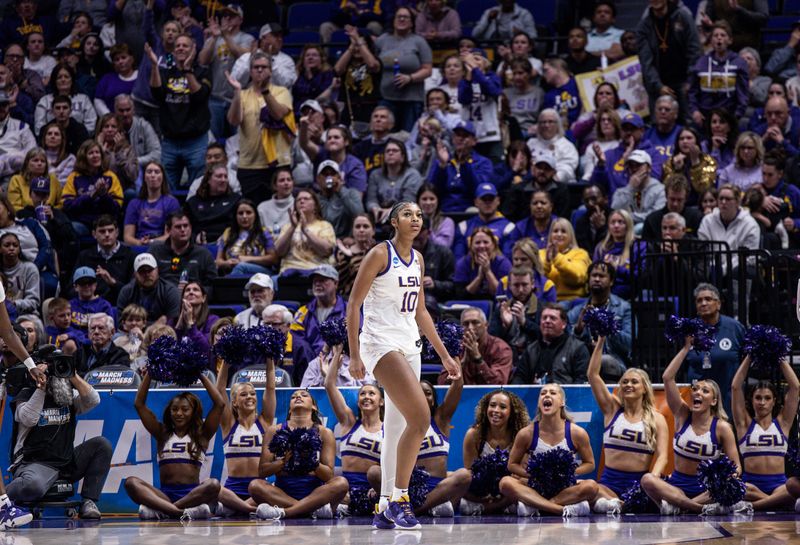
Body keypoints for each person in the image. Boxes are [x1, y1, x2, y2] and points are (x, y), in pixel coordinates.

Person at [346, 200, 461, 529]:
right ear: (394, 221)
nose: (416, 219)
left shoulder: (419, 259)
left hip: (410, 345)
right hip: (379, 344)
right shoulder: (380, 254)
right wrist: (355, 354)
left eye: (419, 215)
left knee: (395, 429)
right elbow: (353, 305)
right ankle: (400, 497)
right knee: (421, 417)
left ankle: (383, 506)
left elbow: (421, 311)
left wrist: (443, 354)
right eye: (408, 214)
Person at [640, 337, 750, 515]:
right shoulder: (682, 415)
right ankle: (697, 509)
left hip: (706, 491)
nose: (697, 392)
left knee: (733, 484)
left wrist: (726, 480)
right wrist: (686, 348)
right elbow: (667, 377)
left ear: (713, 401)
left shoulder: (722, 427)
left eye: (705, 391)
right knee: (647, 480)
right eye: (696, 389)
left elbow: (737, 466)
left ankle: (677, 506)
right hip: (676, 487)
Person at [7, 343, 110, 520]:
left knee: (101, 445)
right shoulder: (26, 391)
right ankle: (4, 497)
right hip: (34, 462)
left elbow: (93, 400)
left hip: (66, 462)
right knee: (34, 486)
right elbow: (28, 418)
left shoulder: (65, 393)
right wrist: (40, 386)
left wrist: (72, 374)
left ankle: (88, 502)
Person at [126, 369, 225, 520]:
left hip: (192, 495)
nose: (179, 413)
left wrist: (198, 373)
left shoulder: (202, 435)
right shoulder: (161, 433)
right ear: (169, 412)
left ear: (193, 412)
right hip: (164, 495)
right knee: (131, 482)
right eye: (175, 409)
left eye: (185, 409)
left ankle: (167, 511)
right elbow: (139, 404)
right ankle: (180, 513)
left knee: (213, 485)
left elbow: (220, 404)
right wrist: (151, 372)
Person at [586, 335, 669, 513]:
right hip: (608, 484)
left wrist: (652, 479)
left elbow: (663, 456)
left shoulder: (657, 418)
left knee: (658, 487)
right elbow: (593, 375)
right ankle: (615, 503)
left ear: (645, 388)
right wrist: (601, 341)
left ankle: (613, 505)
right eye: (624, 382)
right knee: (586, 487)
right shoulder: (612, 409)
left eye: (634, 382)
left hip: (639, 485)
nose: (628, 385)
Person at [498, 383, 596, 516]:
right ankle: (561, 510)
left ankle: (537, 506)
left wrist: (567, 473)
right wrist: (534, 475)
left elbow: (590, 464)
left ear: (562, 402)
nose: (547, 395)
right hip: (535, 486)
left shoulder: (577, 433)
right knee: (505, 483)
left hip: (564, 487)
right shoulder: (526, 433)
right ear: (539, 403)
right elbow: (512, 465)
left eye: (553, 393)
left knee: (591, 486)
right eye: (543, 393)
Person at [250, 389, 349, 520]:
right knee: (255, 486)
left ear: (313, 407)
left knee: (341, 483)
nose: (298, 397)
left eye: (304, 395)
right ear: (290, 409)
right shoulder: (274, 430)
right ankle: (311, 510)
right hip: (282, 492)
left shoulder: (324, 433)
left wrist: (310, 461)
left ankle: (285, 513)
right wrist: (283, 461)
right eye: (293, 397)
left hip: (314, 492)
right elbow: (262, 471)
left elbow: (328, 476)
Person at [213, 328, 277, 515]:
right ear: (234, 402)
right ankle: (249, 509)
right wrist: (226, 358)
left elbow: (271, 387)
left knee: (265, 488)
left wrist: (270, 357)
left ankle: (237, 509)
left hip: (258, 488)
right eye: (243, 394)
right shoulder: (228, 424)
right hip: (232, 489)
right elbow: (219, 390)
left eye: (252, 394)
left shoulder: (265, 421)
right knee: (213, 487)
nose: (250, 397)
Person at [731, 354, 798, 511]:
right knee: (740, 487)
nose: (762, 402)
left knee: (792, 486)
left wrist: (779, 354)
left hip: (779, 486)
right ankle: (774, 502)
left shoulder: (783, 423)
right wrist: (750, 355)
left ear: (774, 401)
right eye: (758, 398)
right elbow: (735, 387)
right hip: (751, 486)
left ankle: (752, 506)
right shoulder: (744, 424)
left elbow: (795, 387)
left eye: (767, 398)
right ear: (751, 400)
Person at [226, 51, 294, 204]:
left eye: (264, 67)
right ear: (250, 71)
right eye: (256, 67)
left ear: (270, 70)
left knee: (280, 208)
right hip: (249, 165)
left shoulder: (281, 92)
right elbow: (233, 120)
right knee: (251, 212)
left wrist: (265, 91)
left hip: (277, 164)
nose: (260, 70)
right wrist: (237, 93)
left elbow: (278, 114)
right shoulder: (242, 95)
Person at [145, 36, 210, 189]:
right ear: (173, 52)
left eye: (185, 46)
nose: (180, 48)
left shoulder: (202, 72)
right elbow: (156, 93)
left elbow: (200, 96)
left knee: (197, 188)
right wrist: (154, 65)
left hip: (196, 141)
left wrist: (187, 70)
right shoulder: (165, 72)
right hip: (170, 141)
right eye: (178, 46)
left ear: (193, 49)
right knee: (166, 188)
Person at [324, 347, 383, 516]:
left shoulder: (388, 429)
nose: (366, 397)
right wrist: (336, 356)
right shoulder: (349, 422)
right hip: (346, 491)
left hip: (375, 490)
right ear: (358, 403)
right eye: (363, 394)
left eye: (372, 393)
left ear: (381, 402)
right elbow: (329, 385)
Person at [460, 390, 529, 515]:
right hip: (482, 492)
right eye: (492, 405)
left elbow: (522, 471)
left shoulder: (521, 435)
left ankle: (488, 508)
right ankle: (495, 505)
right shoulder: (474, 434)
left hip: (508, 488)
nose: (496, 410)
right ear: (486, 408)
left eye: (502, 407)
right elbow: (470, 470)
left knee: (525, 482)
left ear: (512, 412)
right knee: (460, 477)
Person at [684, 283, 746, 415]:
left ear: (718, 304)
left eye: (708, 299)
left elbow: (746, 358)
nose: (703, 303)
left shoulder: (734, 328)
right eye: (699, 300)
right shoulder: (690, 330)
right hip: (698, 403)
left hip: (728, 400)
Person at [636, 0, 700, 120]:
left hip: (684, 81)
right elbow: (646, 62)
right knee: (659, 124)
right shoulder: (643, 26)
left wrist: (691, 80)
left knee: (688, 124)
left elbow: (694, 50)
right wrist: (658, 86)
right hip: (659, 84)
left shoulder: (683, 16)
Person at [569, 262, 632, 379]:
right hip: (583, 360)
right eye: (594, 276)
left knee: (604, 361)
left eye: (602, 276)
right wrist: (578, 331)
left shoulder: (624, 308)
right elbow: (565, 346)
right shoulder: (577, 311)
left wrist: (609, 328)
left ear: (611, 281)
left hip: (614, 360)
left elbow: (630, 343)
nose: (597, 279)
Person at [374, 7, 433, 132]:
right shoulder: (382, 40)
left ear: (412, 22)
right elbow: (373, 63)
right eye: (399, 16)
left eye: (406, 17)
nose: (402, 19)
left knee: (408, 137)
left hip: (411, 100)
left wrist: (410, 78)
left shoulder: (419, 42)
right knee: (384, 135)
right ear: (393, 20)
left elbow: (428, 70)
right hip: (386, 98)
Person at [291, 265, 348, 384]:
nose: (317, 284)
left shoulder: (349, 310)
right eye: (315, 281)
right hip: (310, 364)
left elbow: (356, 336)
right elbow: (296, 339)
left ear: (336, 283)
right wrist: (316, 360)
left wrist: (333, 355)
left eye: (323, 280)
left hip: (342, 362)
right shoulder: (303, 311)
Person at [687, 20, 749, 127]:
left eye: (723, 35)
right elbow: (693, 92)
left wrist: (735, 117)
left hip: (729, 118)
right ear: (711, 40)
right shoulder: (701, 63)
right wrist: (695, 111)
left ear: (730, 40)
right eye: (715, 35)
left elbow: (742, 95)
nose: (719, 38)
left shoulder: (739, 63)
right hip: (705, 118)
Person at [511, 303, 590, 384]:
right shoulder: (531, 350)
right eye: (544, 318)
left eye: (553, 318)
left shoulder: (578, 348)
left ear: (564, 324)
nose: (547, 321)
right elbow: (519, 380)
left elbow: (581, 382)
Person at [428, 120, 492, 213]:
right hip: (444, 210)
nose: (460, 139)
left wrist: (465, 164)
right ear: (453, 138)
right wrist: (442, 166)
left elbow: (480, 191)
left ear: (474, 141)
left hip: (470, 210)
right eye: (458, 135)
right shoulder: (444, 159)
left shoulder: (483, 162)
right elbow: (431, 189)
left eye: (465, 136)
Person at [62, 140, 123, 236]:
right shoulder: (74, 177)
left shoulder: (110, 176)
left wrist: (103, 195)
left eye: (97, 152)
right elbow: (67, 205)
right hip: (83, 223)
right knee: (72, 228)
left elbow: (116, 208)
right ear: (84, 157)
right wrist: (90, 196)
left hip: (105, 224)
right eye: (91, 153)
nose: (95, 156)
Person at [439, 307, 511, 385]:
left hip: (491, 396)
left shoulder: (501, 348)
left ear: (486, 325)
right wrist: (462, 363)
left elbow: (499, 384)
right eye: (466, 324)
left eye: (475, 322)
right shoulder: (456, 348)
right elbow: (442, 384)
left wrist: (478, 359)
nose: (470, 328)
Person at [74, 215, 135, 304]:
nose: (107, 234)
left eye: (110, 231)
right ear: (94, 234)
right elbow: (72, 287)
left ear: (117, 233)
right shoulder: (85, 256)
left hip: (120, 305)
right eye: (102, 231)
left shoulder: (130, 255)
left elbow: (133, 292)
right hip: (89, 305)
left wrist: (113, 283)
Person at [149, 212, 218, 290]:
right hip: (162, 297)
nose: (183, 230)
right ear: (168, 230)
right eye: (178, 227)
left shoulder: (204, 254)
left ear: (191, 228)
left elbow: (212, 286)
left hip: (192, 298)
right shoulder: (156, 251)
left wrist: (195, 291)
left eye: (185, 226)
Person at [275, 189, 336, 276]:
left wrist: (305, 230)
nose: (302, 201)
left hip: (317, 271)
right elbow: (279, 252)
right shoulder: (288, 227)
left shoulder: (325, 225)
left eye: (306, 199)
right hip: (289, 271)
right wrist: (293, 227)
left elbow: (326, 251)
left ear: (315, 205)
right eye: (298, 200)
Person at [366, 138, 422, 230]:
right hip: (378, 220)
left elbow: (409, 201)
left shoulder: (412, 175)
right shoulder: (375, 174)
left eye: (395, 150)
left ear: (403, 157)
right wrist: (375, 208)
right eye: (387, 151)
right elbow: (371, 200)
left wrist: (391, 211)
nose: (390, 153)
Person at [458, 49, 503, 162]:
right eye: (470, 60)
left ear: (486, 63)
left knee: (495, 167)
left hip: (491, 135)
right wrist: (469, 77)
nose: (472, 62)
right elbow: (464, 99)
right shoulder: (464, 82)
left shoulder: (493, 78)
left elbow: (493, 90)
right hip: (471, 136)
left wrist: (475, 70)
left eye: (476, 59)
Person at [122, 161, 180, 247]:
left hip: (162, 247)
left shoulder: (171, 202)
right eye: (149, 172)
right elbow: (127, 236)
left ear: (162, 177)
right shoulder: (134, 204)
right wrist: (139, 243)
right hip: (138, 246)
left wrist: (151, 242)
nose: (153, 175)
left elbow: (170, 235)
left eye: (157, 172)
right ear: (144, 177)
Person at [593, 209, 646, 300]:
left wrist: (617, 268)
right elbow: (593, 274)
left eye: (621, 222)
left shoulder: (639, 246)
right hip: (604, 293)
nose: (616, 226)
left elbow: (641, 277)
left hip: (631, 294)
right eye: (612, 222)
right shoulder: (601, 248)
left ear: (628, 225)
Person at [453, 183, 514, 261]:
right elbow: (458, 259)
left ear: (498, 201)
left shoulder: (508, 227)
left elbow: (507, 260)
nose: (487, 203)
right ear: (476, 202)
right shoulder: (464, 227)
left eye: (491, 199)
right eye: (484, 199)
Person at [184, 163, 242, 245]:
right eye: (219, 176)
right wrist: (194, 237)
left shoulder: (236, 200)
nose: (223, 180)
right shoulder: (193, 202)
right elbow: (184, 226)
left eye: (225, 176)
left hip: (228, 243)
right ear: (208, 180)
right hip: (199, 244)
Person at [215, 200, 277, 277]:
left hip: (261, 271)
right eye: (240, 213)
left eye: (248, 213)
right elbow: (218, 261)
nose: (244, 216)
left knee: (241, 267)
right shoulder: (228, 232)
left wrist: (247, 259)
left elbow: (273, 259)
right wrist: (227, 263)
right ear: (235, 216)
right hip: (231, 269)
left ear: (255, 215)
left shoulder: (264, 232)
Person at [116, 253, 181, 325]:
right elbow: (120, 323)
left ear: (157, 270)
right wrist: (156, 325)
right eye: (142, 271)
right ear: (135, 274)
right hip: (131, 334)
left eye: (150, 270)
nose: (147, 274)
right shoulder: (126, 292)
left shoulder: (170, 291)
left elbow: (173, 324)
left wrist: (138, 325)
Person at [34, 64, 96, 136]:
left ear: (72, 80)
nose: (63, 80)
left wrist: (80, 136)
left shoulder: (84, 99)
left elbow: (91, 124)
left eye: (66, 77)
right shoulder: (45, 101)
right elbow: (39, 128)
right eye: (59, 77)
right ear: (54, 81)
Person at [610, 149, 666, 227]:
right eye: (631, 166)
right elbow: (615, 211)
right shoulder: (621, 191)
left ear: (649, 168)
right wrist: (630, 188)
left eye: (638, 165)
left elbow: (656, 216)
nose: (634, 169)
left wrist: (628, 217)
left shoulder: (660, 190)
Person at [232, 23, 297, 90]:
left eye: (281, 36)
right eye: (275, 36)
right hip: (251, 98)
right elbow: (236, 81)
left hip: (276, 98)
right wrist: (250, 60)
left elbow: (287, 83)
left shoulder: (287, 60)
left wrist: (271, 61)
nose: (280, 39)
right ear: (263, 38)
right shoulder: (246, 57)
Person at [642, 173, 704, 243]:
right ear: (666, 196)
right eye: (672, 199)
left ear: (686, 199)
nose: (675, 204)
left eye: (679, 200)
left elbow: (700, 246)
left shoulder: (696, 218)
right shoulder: (652, 220)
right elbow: (645, 248)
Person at [168, 281, 219, 365]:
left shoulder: (213, 320)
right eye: (187, 290)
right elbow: (169, 348)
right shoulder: (173, 321)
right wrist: (180, 324)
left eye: (195, 289)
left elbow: (206, 349)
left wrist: (190, 323)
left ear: (204, 298)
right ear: (182, 298)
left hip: (204, 370)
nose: (191, 292)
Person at [541, 217, 591, 302]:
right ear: (550, 234)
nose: (559, 234)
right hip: (546, 301)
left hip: (573, 301)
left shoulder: (580, 254)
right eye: (555, 231)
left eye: (563, 231)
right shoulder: (541, 253)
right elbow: (537, 279)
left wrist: (556, 258)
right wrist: (547, 262)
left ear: (570, 235)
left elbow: (577, 278)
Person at [453, 226, 512, 299]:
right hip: (469, 304)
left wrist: (487, 271)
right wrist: (479, 278)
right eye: (477, 243)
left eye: (485, 242)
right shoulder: (463, 263)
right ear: (471, 245)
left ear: (493, 244)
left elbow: (502, 295)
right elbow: (460, 295)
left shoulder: (503, 263)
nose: (481, 246)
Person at [526, 108, 579, 184]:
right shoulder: (530, 143)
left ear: (558, 125)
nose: (546, 125)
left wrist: (552, 179)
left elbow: (568, 169)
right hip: (533, 184)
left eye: (550, 122)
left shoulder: (566, 145)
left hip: (559, 185)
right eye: (543, 122)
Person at [315, 160, 365, 239]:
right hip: (321, 240)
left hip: (345, 241)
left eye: (332, 174)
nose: (329, 177)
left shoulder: (351, 193)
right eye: (325, 174)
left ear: (339, 177)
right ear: (318, 179)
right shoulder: (314, 199)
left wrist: (340, 191)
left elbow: (359, 214)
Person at [410, 216, 454, 304]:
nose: (416, 233)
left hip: (435, 303)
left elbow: (454, 287)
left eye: (420, 230)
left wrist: (435, 284)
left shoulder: (443, 253)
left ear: (429, 233)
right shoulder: (397, 253)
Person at [114, 94, 161, 170]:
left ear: (133, 110)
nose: (125, 114)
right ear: (115, 111)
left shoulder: (144, 126)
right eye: (121, 111)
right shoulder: (111, 128)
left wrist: (134, 161)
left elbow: (156, 154)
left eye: (128, 110)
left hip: (141, 171)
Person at [336, 214, 376, 298]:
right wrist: (347, 257)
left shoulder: (381, 252)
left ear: (373, 230)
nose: (361, 230)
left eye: (365, 226)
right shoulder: (342, 253)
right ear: (352, 231)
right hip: (349, 299)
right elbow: (339, 282)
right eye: (357, 227)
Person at [0, 233, 39, 316]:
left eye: (15, 245)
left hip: (26, 314)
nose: (11, 248)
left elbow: (34, 301)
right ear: (0, 249)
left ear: (19, 249)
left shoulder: (30, 269)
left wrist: (13, 304)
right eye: (7, 245)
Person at [69, 267, 114, 332]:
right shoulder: (69, 305)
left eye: (90, 282)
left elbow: (109, 330)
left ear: (95, 285)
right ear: (75, 287)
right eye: (82, 283)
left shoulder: (104, 305)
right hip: (74, 340)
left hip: (98, 339)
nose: (87, 286)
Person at [472, 0, 537, 42]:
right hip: (492, 48)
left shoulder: (524, 14)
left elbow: (534, 38)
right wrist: (488, 20)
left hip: (515, 49)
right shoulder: (490, 12)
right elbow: (475, 34)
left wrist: (521, 34)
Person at [257, 168, 295, 238]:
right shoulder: (262, 207)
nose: (286, 183)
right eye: (282, 180)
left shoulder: (298, 204)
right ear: (275, 186)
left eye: (289, 180)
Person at [416, 183, 454, 248]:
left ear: (438, 201)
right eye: (424, 199)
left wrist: (427, 228)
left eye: (432, 199)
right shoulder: (411, 221)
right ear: (418, 201)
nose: (428, 202)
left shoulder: (447, 222)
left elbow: (444, 246)